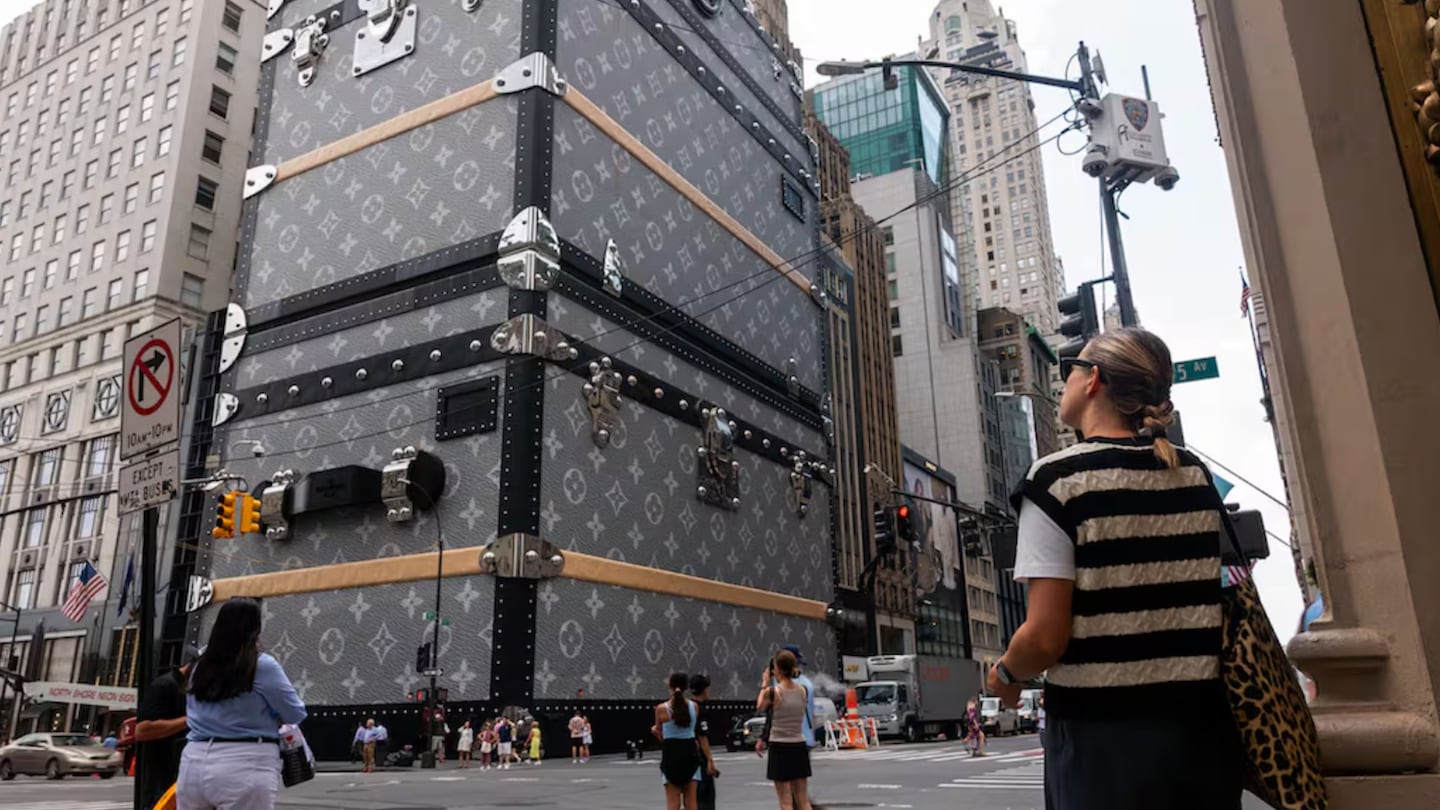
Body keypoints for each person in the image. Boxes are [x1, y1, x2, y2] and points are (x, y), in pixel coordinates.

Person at [990, 328, 1243, 809]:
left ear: (1094, 381)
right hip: (1203, 732)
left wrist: (1004, 674)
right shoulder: (1194, 474)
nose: (1063, 382)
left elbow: (1044, 637)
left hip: (1101, 739)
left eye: (1070, 371)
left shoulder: (1056, 479)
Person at [177, 599, 307, 810]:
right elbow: (294, 713)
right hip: (245, 759)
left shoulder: (198, 666)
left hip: (194, 759)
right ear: (255, 630)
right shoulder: (261, 665)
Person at [756, 650, 812, 810]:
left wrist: (765, 682)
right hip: (799, 744)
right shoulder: (803, 690)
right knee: (803, 800)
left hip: (779, 745)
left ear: (777, 669)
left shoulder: (773, 692)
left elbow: (760, 706)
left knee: (786, 802)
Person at [654, 672, 701, 810]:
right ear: (686, 687)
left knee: (673, 804)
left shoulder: (661, 709)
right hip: (690, 754)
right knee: (691, 803)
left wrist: (656, 731)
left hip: (671, 755)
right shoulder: (694, 707)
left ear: (670, 685)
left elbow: (661, 735)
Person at [689, 673, 719, 810]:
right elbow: (702, 737)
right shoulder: (699, 708)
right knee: (705, 797)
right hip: (700, 759)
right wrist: (710, 760)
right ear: (704, 689)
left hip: (688, 757)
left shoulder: (687, 706)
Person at [778, 645, 817, 748]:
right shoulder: (807, 683)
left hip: (789, 739)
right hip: (805, 737)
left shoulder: (783, 685)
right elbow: (812, 714)